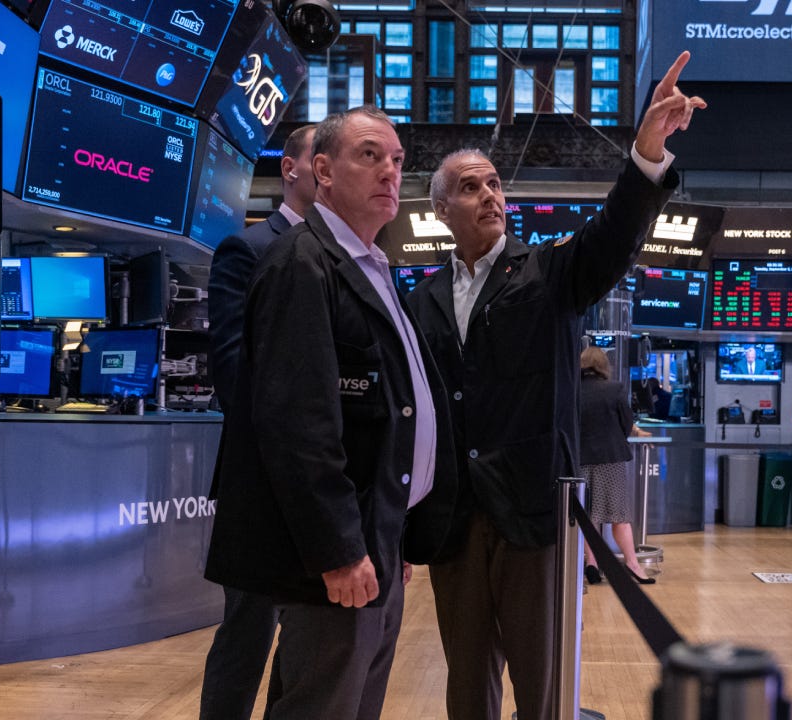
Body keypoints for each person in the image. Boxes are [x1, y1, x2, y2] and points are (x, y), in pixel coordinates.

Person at [406, 50, 705, 720]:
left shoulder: (547, 276)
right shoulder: (421, 301)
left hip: (530, 515)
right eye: (472, 187)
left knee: (541, 688)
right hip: (452, 521)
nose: (491, 195)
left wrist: (646, 152)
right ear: (441, 208)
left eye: (495, 185)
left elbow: (613, 237)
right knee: (465, 683)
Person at [203, 106, 458, 720]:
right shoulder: (301, 262)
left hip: (378, 536)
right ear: (321, 169)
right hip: (340, 553)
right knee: (321, 704)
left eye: (397, 161)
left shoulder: (371, 265)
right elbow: (298, 423)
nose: (389, 172)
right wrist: (339, 548)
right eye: (369, 155)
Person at [200, 123, 315, 720]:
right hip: (258, 485)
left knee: (309, 644)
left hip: (324, 490)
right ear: (291, 170)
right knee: (247, 634)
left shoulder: (347, 258)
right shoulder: (247, 249)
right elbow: (232, 373)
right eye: (320, 156)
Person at [577, 347, 653, 586]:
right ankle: (632, 564)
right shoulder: (614, 389)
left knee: (589, 516)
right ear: (603, 365)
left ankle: (592, 563)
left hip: (579, 460)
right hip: (611, 460)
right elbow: (626, 422)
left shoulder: (571, 390)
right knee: (619, 515)